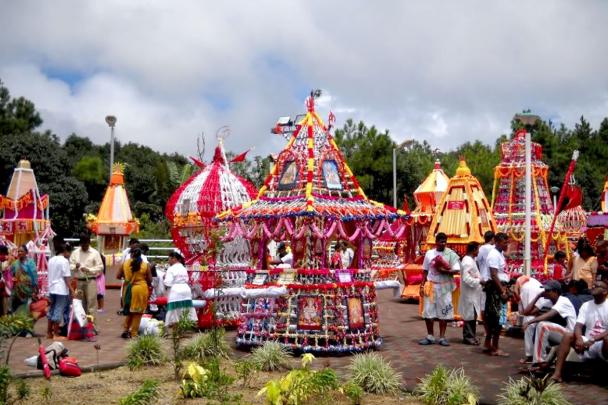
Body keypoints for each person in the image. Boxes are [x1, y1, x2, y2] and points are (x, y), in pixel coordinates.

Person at [551, 280, 608, 382]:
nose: (593, 287)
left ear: (605, 291)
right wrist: (579, 338)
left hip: (602, 344)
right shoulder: (586, 305)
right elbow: (578, 325)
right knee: (568, 335)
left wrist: (593, 340)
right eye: (593, 285)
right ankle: (557, 374)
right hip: (587, 342)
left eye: (597, 286)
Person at [522, 280, 577, 367]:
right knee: (533, 323)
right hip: (560, 335)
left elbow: (549, 315)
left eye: (548, 291)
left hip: (570, 335)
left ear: (555, 292)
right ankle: (534, 356)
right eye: (544, 290)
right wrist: (537, 296)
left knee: (542, 325)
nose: (545, 293)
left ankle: (540, 361)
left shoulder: (563, 300)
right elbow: (527, 312)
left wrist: (529, 322)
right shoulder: (549, 302)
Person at [419, 232, 460, 347]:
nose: (443, 243)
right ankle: (430, 336)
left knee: (445, 311)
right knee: (428, 311)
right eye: (441, 241)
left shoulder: (451, 254)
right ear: (436, 242)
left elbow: (457, 270)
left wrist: (444, 270)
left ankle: (442, 337)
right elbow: (425, 271)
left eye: (445, 241)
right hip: (431, 285)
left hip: (445, 286)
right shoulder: (429, 253)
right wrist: (422, 285)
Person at [484, 232, 510, 356]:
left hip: (499, 288)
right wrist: (502, 291)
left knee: (495, 318)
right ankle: (495, 347)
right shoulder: (494, 255)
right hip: (496, 290)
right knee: (497, 319)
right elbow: (494, 274)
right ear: (498, 242)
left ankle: (489, 344)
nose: (507, 245)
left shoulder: (499, 254)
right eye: (505, 242)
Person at [516, 276, 552, 364]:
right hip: (539, 316)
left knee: (530, 322)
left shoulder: (526, 287)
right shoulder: (534, 287)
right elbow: (528, 311)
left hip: (547, 322)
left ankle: (531, 356)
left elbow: (526, 312)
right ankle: (532, 356)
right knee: (530, 322)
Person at [117, 248, 151, 338]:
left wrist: (127, 278)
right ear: (141, 255)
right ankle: (134, 333)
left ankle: (126, 329)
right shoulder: (145, 265)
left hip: (128, 288)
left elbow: (118, 276)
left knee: (129, 310)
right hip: (140, 289)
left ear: (131, 254)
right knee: (138, 312)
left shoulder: (125, 264)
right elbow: (150, 280)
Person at [69, 234, 104, 316]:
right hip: (79, 281)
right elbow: (70, 265)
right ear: (80, 244)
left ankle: (92, 326)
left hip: (91, 280)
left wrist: (89, 270)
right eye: (82, 244)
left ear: (89, 242)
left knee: (91, 304)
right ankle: (83, 326)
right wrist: (75, 267)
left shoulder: (95, 253)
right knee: (80, 304)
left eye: (86, 244)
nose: (84, 246)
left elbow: (100, 267)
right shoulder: (75, 253)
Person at [46, 243, 74, 340]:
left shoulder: (51, 260)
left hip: (52, 287)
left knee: (52, 309)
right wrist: (72, 290)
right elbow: (66, 278)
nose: (69, 254)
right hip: (61, 289)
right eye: (69, 252)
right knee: (58, 310)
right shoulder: (64, 261)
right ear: (65, 251)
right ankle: (56, 334)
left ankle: (49, 332)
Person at [459, 241, 483, 345]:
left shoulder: (470, 260)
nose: (479, 251)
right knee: (469, 315)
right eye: (478, 249)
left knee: (472, 315)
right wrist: (479, 281)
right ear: (474, 250)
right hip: (469, 294)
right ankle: (468, 337)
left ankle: (471, 336)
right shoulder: (467, 261)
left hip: (473, 293)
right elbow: (466, 278)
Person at [164, 251, 197, 326]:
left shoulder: (171, 269)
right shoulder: (183, 267)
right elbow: (187, 279)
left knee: (173, 311)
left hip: (176, 290)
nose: (168, 260)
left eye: (169, 259)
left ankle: (173, 328)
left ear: (174, 259)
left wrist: (164, 279)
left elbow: (167, 283)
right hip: (186, 289)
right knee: (185, 309)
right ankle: (186, 327)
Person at [477, 231, 495, 346]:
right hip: (491, 279)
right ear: (492, 239)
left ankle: (486, 330)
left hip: (483, 278)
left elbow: (478, 262)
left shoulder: (480, 249)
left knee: (484, 306)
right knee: (491, 306)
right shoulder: (493, 248)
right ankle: (490, 331)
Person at [10, 245, 38, 315]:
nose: (19, 253)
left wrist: (35, 288)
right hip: (17, 291)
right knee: (15, 308)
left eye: (21, 251)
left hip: (27, 290)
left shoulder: (30, 263)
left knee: (26, 309)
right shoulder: (15, 263)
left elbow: (34, 276)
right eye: (18, 251)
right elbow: (11, 275)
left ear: (26, 252)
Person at [0, 246, 13, 316]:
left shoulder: (5, 261)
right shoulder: (6, 261)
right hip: (6, 284)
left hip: (5, 284)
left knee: (4, 302)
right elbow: (4, 268)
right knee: (5, 302)